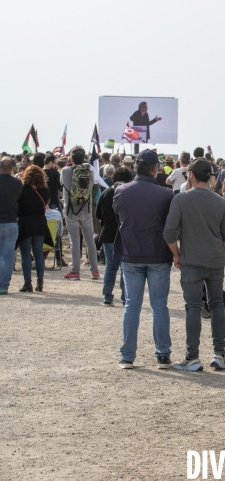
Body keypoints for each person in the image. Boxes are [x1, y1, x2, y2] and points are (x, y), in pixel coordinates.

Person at [164, 158, 225, 371]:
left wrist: (177, 255)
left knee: (193, 307)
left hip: (191, 260)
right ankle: (219, 354)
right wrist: (219, 254)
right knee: (217, 305)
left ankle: (192, 356)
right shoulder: (221, 202)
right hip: (214, 260)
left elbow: (168, 233)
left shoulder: (181, 200)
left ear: (191, 175)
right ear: (210, 177)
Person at [113, 149, 174, 369]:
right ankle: (163, 354)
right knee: (159, 306)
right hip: (157, 254)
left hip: (131, 253)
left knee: (132, 305)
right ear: (155, 169)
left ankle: (127, 356)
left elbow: (119, 217)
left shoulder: (120, 191)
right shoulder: (166, 194)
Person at [61, 146, 100, 281]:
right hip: (86, 209)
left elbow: (64, 187)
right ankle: (94, 271)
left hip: (71, 209)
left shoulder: (66, 170)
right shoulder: (89, 170)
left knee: (75, 240)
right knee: (90, 241)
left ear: (71, 158)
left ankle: (75, 271)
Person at [96, 166, 133, 306]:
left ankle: (107, 295)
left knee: (110, 267)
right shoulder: (130, 193)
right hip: (125, 234)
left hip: (108, 233)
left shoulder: (106, 193)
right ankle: (125, 297)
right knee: (125, 266)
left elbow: (98, 214)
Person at [17, 165, 52, 292]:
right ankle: (40, 282)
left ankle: (27, 283)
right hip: (40, 222)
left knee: (25, 254)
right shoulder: (45, 190)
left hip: (25, 222)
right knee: (38, 254)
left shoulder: (22, 189)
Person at [0, 158, 23, 295]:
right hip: (11, 222)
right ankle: (3, 286)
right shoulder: (17, 183)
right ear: (12, 168)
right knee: (8, 256)